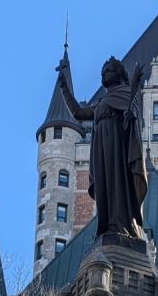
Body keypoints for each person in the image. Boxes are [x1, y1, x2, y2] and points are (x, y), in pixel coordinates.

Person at [55, 55, 147, 239]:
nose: (104, 74)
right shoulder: (102, 101)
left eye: (108, 71)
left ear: (119, 75)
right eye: (102, 72)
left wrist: (130, 118)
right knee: (104, 184)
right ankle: (108, 225)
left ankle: (122, 224)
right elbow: (78, 113)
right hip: (101, 149)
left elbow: (132, 118)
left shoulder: (125, 93)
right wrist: (64, 89)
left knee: (117, 183)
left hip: (116, 147)